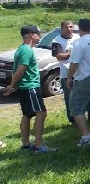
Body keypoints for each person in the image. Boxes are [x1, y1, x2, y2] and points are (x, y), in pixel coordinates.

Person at [3, 25, 56, 153]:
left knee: (27, 115)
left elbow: (18, 69)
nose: (40, 36)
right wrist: (12, 85)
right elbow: (21, 69)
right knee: (41, 113)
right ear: (32, 35)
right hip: (30, 87)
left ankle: (26, 145)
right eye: (38, 33)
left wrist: (14, 85)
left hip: (25, 87)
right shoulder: (27, 50)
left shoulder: (22, 49)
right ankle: (39, 146)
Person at [66, 18, 90, 147]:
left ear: (79, 28)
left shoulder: (79, 43)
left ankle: (86, 137)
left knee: (76, 108)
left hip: (84, 78)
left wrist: (69, 77)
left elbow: (75, 62)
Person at [52, 20, 79, 124]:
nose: (69, 29)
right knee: (70, 98)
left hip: (79, 73)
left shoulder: (77, 38)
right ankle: (73, 119)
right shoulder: (57, 40)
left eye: (71, 27)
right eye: (66, 27)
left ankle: (87, 118)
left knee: (82, 96)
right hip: (66, 74)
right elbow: (58, 56)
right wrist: (70, 54)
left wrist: (70, 54)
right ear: (62, 29)